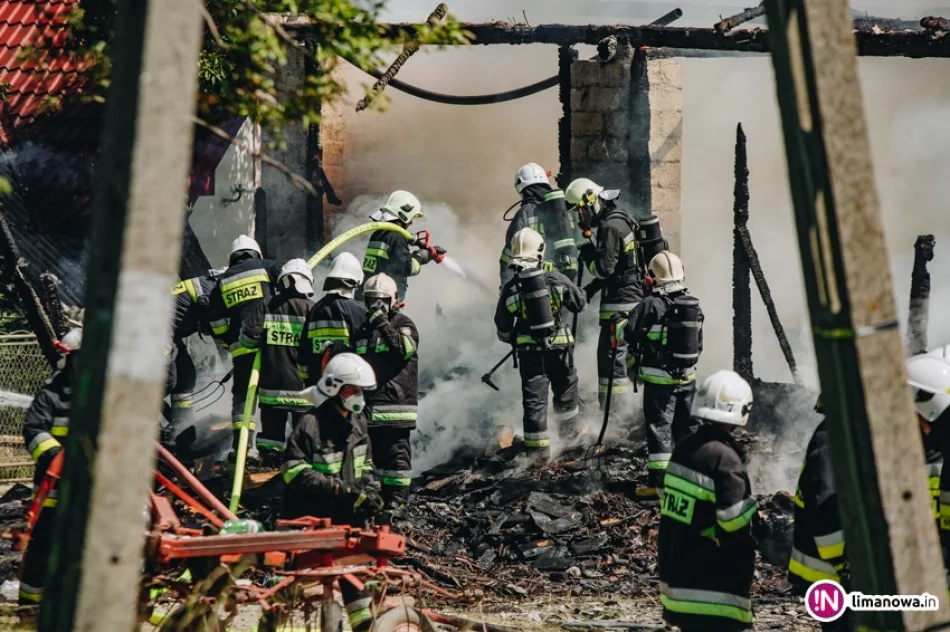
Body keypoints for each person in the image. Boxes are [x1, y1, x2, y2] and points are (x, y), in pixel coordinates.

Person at [282, 352, 384, 632]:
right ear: (334, 389)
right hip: (311, 523)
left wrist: (371, 492)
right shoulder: (310, 425)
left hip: (347, 523)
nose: (358, 397)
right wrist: (337, 487)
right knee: (297, 593)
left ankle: (364, 626)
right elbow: (293, 472)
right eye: (353, 390)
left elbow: (367, 465)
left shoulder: (358, 423)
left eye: (361, 391)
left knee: (357, 589)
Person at [658, 370, 756, 632]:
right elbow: (734, 523)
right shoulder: (725, 458)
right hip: (715, 587)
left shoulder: (684, 449)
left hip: (679, 579)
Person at [494, 228, 586, 458]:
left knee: (534, 403)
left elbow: (502, 326)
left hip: (530, 355)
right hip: (561, 352)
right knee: (565, 395)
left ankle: (537, 456)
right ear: (540, 251)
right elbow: (580, 304)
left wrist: (515, 337)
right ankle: (570, 444)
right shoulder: (556, 279)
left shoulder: (511, 288)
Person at [622, 251, 703, 497]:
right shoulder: (693, 306)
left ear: (653, 278)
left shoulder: (650, 305)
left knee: (659, 428)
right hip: (688, 379)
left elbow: (629, 334)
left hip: (659, 382)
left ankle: (660, 485)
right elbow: (699, 345)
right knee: (687, 428)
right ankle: (691, 480)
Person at [565, 177, 644, 409]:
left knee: (611, 362)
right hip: (631, 300)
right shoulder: (621, 217)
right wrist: (589, 290)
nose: (581, 218)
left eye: (580, 212)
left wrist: (588, 254)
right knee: (625, 358)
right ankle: (633, 409)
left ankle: (614, 416)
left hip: (620, 305)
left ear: (591, 202)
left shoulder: (610, 227)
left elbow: (603, 269)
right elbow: (618, 268)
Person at [19, 328, 82, 605]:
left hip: (96, 494)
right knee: (43, 547)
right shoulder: (51, 394)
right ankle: (30, 606)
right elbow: (33, 431)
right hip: (54, 493)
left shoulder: (108, 392)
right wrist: (59, 458)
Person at [208, 235, 282, 454]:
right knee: (275, 392)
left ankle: (241, 447)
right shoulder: (266, 266)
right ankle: (277, 444)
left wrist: (230, 344)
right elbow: (289, 285)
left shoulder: (221, 281)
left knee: (243, 396)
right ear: (255, 253)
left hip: (242, 348)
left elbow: (217, 323)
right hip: (271, 343)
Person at [354, 273, 420, 516]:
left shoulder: (404, 324)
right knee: (373, 459)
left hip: (396, 406)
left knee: (397, 458)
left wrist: (382, 322)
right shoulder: (363, 330)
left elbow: (403, 350)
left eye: (382, 300)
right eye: (372, 300)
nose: (376, 305)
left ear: (393, 300)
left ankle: (398, 502)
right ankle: (376, 501)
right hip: (370, 407)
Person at [238, 259, 315, 461]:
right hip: (303, 389)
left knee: (271, 440)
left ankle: (267, 471)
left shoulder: (267, 304)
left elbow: (246, 340)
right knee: (304, 442)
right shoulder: (312, 309)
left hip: (272, 389)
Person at [788, 395, 850, 632]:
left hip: (827, 571)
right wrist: (842, 562)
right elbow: (824, 511)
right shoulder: (831, 443)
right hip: (830, 573)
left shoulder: (833, 436)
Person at [499, 163, 578, 287]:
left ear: (521, 187)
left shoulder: (525, 212)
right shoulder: (565, 209)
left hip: (539, 279)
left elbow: (509, 254)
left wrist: (505, 287)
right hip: (570, 276)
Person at [297, 252, 367, 384]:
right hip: (347, 388)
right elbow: (366, 351)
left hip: (318, 387)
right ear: (354, 283)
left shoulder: (315, 310)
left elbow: (302, 353)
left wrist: (308, 380)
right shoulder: (358, 311)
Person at [361, 190, 445, 301]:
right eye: (411, 218)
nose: (411, 223)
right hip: (385, 297)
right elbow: (406, 268)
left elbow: (390, 259)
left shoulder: (379, 233)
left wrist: (414, 254)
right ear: (404, 215)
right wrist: (421, 257)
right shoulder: (396, 237)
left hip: (370, 292)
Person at [167, 270, 219, 427]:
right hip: (155, 328)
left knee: (186, 377)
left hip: (170, 334)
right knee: (167, 380)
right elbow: (218, 328)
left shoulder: (213, 286)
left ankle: (181, 426)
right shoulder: (213, 289)